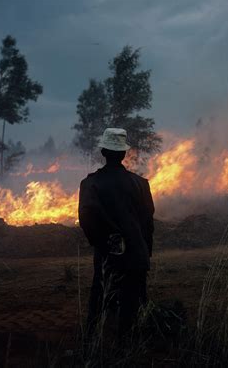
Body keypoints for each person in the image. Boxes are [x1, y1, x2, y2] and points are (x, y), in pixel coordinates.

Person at [78, 128, 155, 337]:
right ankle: (130, 347)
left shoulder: (91, 183)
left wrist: (104, 244)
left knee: (101, 297)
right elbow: (148, 221)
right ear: (124, 154)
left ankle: (93, 345)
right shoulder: (141, 184)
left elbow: (85, 218)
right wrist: (144, 252)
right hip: (136, 255)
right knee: (134, 304)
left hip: (109, 256)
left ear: (103, 152)